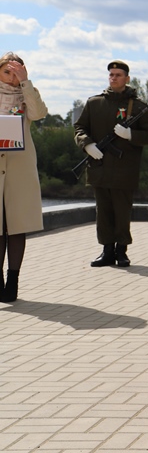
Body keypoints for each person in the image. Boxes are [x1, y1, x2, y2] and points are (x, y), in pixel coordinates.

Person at [74, 61, 148, 267]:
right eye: (111, 74)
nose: (114, 78)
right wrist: (87, 144)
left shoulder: (138, 107)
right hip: (99, 167)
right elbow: (80, 128)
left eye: (118, 75)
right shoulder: (94, 103)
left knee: (122, 211)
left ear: (127, 78)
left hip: (124, 168)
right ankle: (107, 250)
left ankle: (121, 250)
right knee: (103, 212)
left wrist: (130, 134)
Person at [0, 52, 48, 302]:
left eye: (16, 73)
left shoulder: (28, 94)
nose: (11, 78)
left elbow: (39, 114)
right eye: (7, 72)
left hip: (20, 169)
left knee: (16, 226)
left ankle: (13, 281)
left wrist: (26, 83)